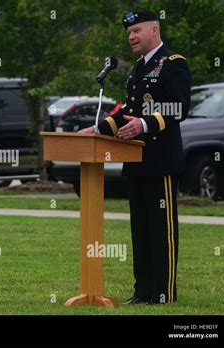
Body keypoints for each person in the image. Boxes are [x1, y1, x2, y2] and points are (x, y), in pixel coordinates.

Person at [79, 9, 191, 304]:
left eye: (136, 31)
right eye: (129, 33)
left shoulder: (173, 64)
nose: (131, 37)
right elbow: (128, 112)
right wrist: (98, 129)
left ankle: (163, 292)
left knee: (160, 230)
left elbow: (179, 108)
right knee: (140, 232)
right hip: (136, 161)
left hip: (161, 160)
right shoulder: (138, 69)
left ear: (154, 30)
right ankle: (142, 291)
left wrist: (145, 124)